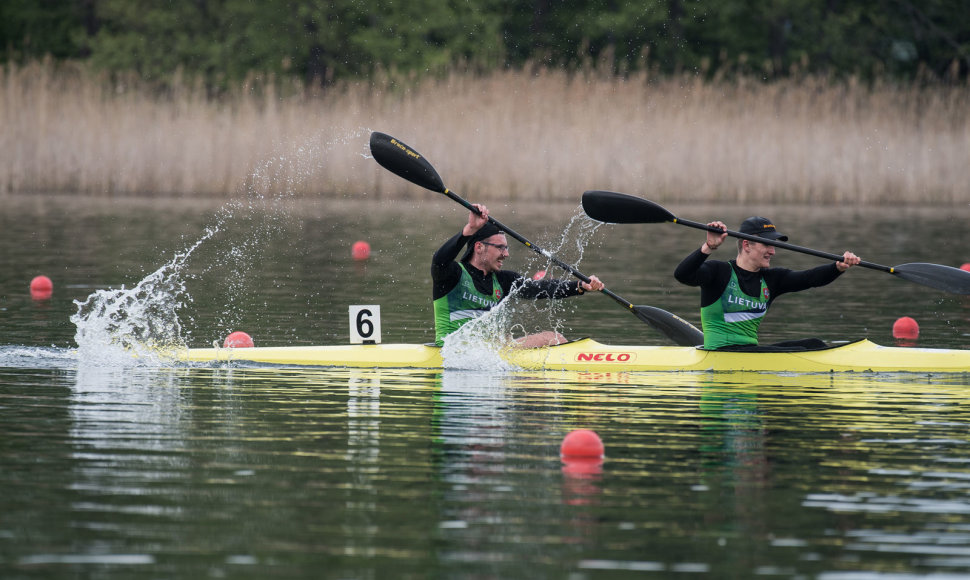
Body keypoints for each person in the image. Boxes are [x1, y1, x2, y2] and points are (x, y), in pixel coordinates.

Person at [674, 216, 861, 351]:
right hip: (720, 353)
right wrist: (708, 248)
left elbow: (809, 278)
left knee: (814, 344)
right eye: (767, 245)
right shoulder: (719, 272)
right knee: (799, 351)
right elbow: (682, 275)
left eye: (774, 246)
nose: (773, 251)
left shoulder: (772, 280)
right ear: (747, 245)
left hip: (750, 352)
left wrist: (838, 267)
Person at [432, 204, 604, 347]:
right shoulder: (452, 275)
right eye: (500, 247)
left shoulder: (503, 280)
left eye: (506, 248)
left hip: (490, 353)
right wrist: (469, 229)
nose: (506, 254)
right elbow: (439, 260)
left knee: (554, 338)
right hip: (453, 351)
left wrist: (580, 286)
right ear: (479, 247)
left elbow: (540, 288)